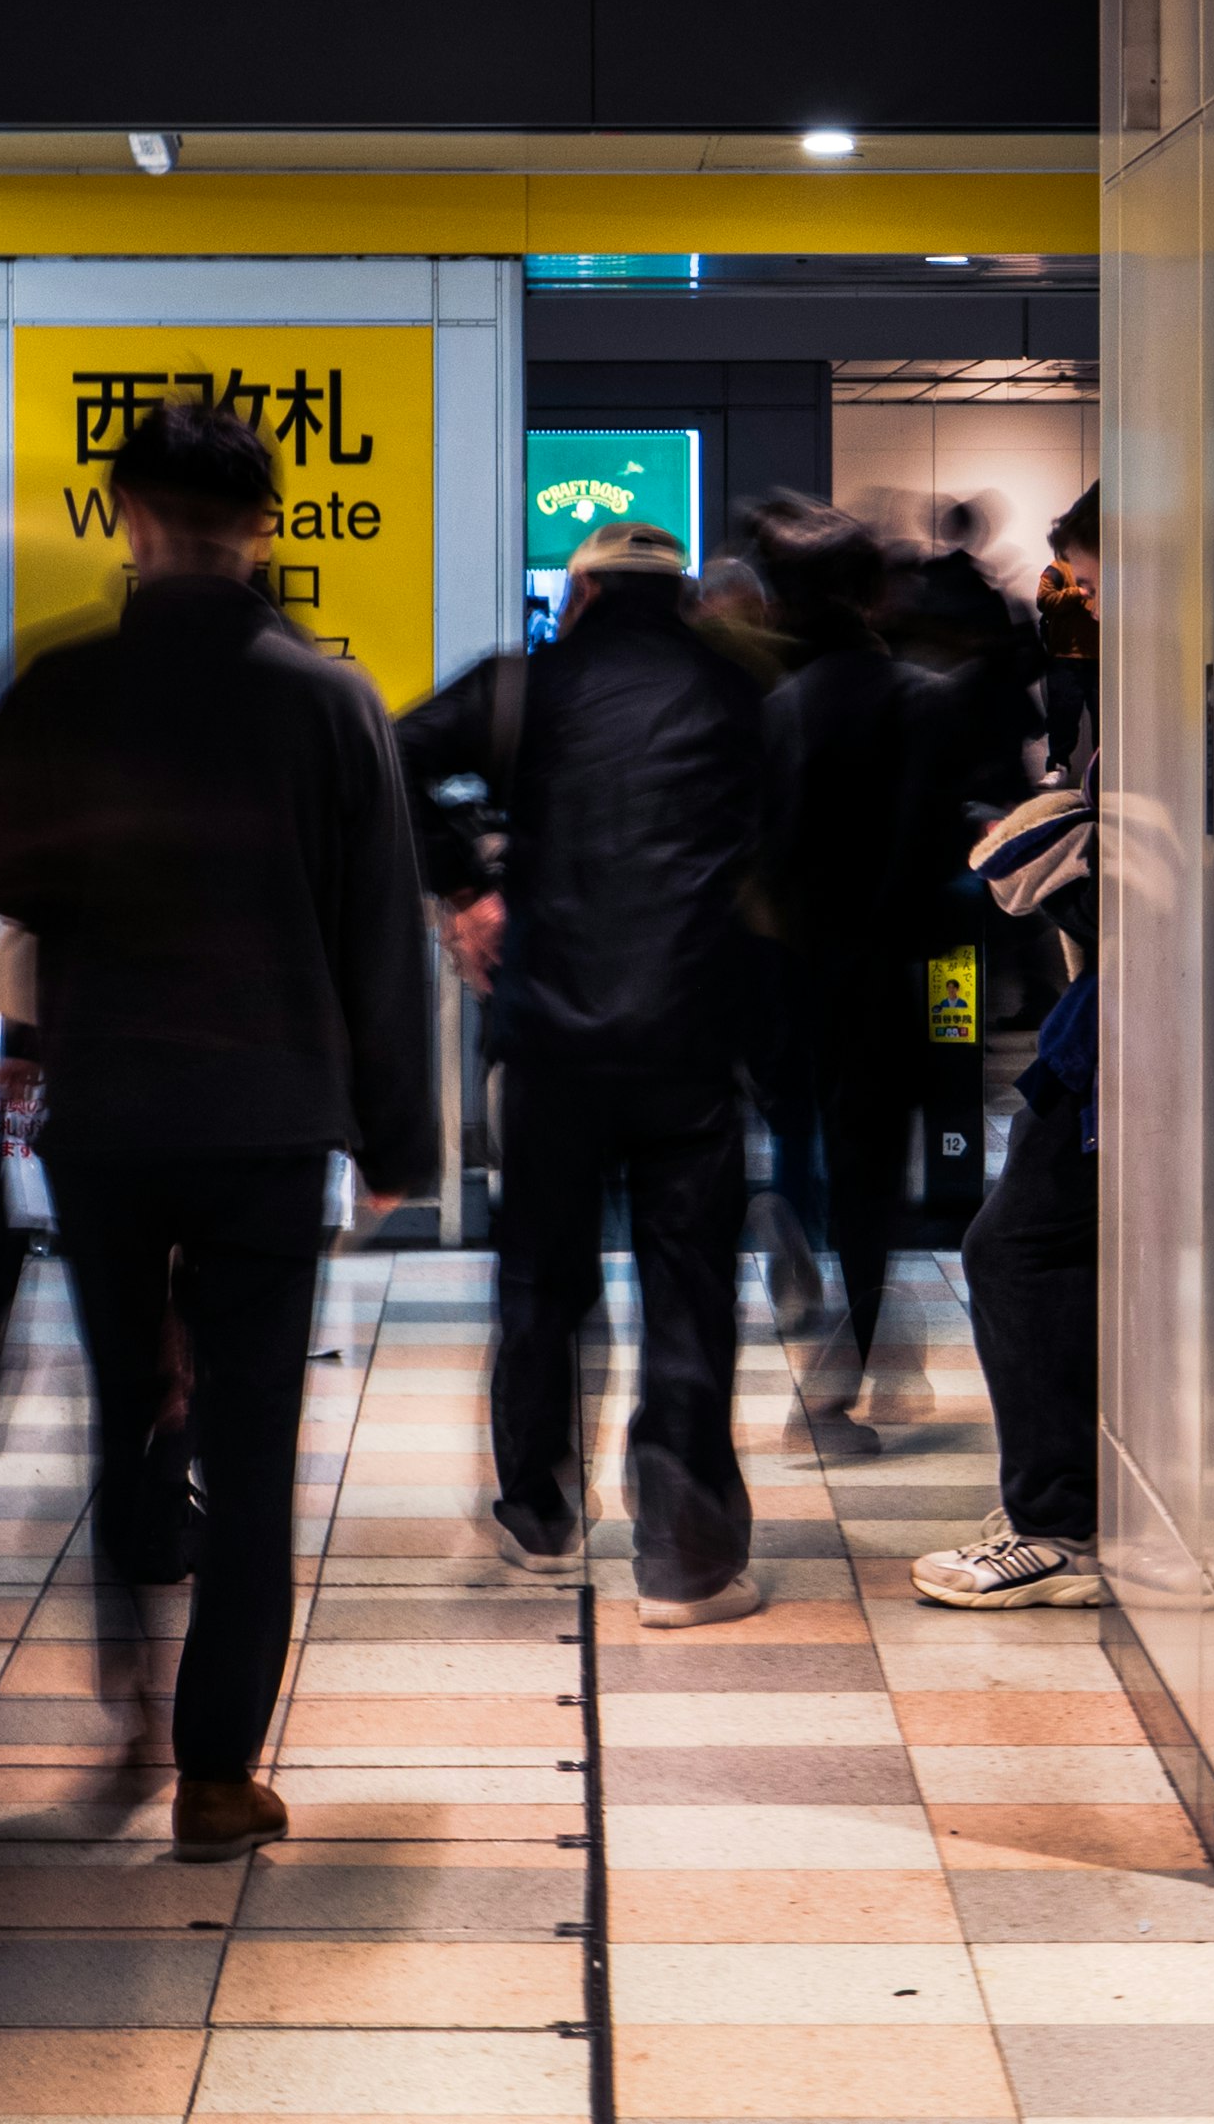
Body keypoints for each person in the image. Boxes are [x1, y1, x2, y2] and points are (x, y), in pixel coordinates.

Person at [0, 396, 432, 1863]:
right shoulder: (327, 699)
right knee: (255, 1426)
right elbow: (379, 940)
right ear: (268, 526)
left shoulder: (57, 683)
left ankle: (125, 1701)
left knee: (123, 1407)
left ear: (127, 515)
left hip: (107, 1110)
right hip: (269, 1118)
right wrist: (402, 1143)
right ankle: (216, 1772)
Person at [399, 521, 770, 1630]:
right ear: (683, 595)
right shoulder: (740, 693)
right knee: (690, 1288)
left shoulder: (526, 685)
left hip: (551, 1032)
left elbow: (387, 756)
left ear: (587, 590)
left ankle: (538, 1514)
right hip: (694, 1039)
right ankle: (687, 1558)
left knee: (542, 1278)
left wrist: (465, 881)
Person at [754, 498, 944, 1441]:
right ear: (871, 593)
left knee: (815, 1151)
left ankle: (858, 1349)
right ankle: (860, 1357)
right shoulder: (917, 700)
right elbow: (933, 854)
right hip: (890, 972)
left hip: (799, 975)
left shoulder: (781, 711)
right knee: (875, 1177)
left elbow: (767, 853)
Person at [912, 768, 1106, 1609]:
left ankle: (1060, 1526)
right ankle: (1070, 1504)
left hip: (1113, 1033)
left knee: (1015, 1248)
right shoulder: (1098, 688)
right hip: (1100, 1031)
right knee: (1031, 1248)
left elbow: (1028, 864)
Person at [1036, 486, 1100, 781]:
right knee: (1063, 716)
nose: (1095, 610)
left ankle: (1102, 770)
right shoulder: (1057, 569)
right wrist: (1078, 592)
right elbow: (1044, 601)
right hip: (1065, 656)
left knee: (1104, 718)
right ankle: (1058, 765)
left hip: (1097, 655)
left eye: (1098, 590)